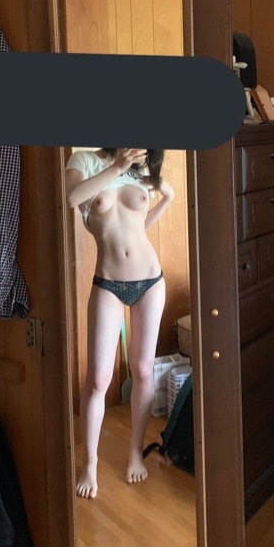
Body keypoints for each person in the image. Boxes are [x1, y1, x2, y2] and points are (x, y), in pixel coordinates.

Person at [65, 147, 175, 499]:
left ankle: (134, 453)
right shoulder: (84, 162)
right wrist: (117, 167)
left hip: (150, 281)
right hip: (108, 284)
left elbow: (137, 226)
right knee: (98, 379)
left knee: (143, 370)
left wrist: (167, 199)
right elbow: (72, 198)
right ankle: (90, 463)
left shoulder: (141, 164)